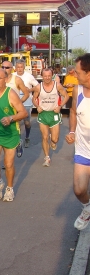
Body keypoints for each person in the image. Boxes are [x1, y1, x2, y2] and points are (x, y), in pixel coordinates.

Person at [0, 68, 28, 202]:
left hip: (10, 134)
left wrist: (11, 119)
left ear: (5, 80)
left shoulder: (11, 94)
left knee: (8, 164)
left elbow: (23, 113)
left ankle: (9, 188)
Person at [65, 53, 90, 230]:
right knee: (79, 190)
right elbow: (73, 111)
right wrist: (72, 131)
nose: (74, 74)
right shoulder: (77, 90)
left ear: (88, 73)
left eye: (78, 72)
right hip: (83, 149)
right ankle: (87, 208)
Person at [32, 68, 69, 167]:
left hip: (54, 114)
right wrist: (37, 106)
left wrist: (60, 106)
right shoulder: (38, 87)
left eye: (49, 76)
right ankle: (47, 158)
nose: (47, 78)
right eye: (45, 76)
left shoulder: (57, 86)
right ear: (42, 76)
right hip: (43, 114)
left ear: (52, 76)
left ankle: (53, 143)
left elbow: (66, 96)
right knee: (44, 137)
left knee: (55, 139)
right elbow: (34, 98)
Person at [2, 60, 29, 157]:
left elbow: (26, 93)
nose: (4, 69)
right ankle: (6, 156)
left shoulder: (17, 80)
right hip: (2, 109)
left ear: (12, 69)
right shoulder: (0, 79)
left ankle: (18, 143)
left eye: (7, 67)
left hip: (14, 110)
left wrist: (19, 104)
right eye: (3, 67)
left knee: (15, 129)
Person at [13, 59, 39, 148]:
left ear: (24, 67)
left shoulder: (29, 76)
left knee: (27, 122)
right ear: (15, 68)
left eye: (21, 67)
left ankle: (27, 137)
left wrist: (30, 90)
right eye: (18, 67)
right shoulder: (13, 76)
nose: (19, 69)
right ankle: (18, 140)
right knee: (16, 121)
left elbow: (37, 86)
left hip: (27, 101)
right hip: (16, 101)